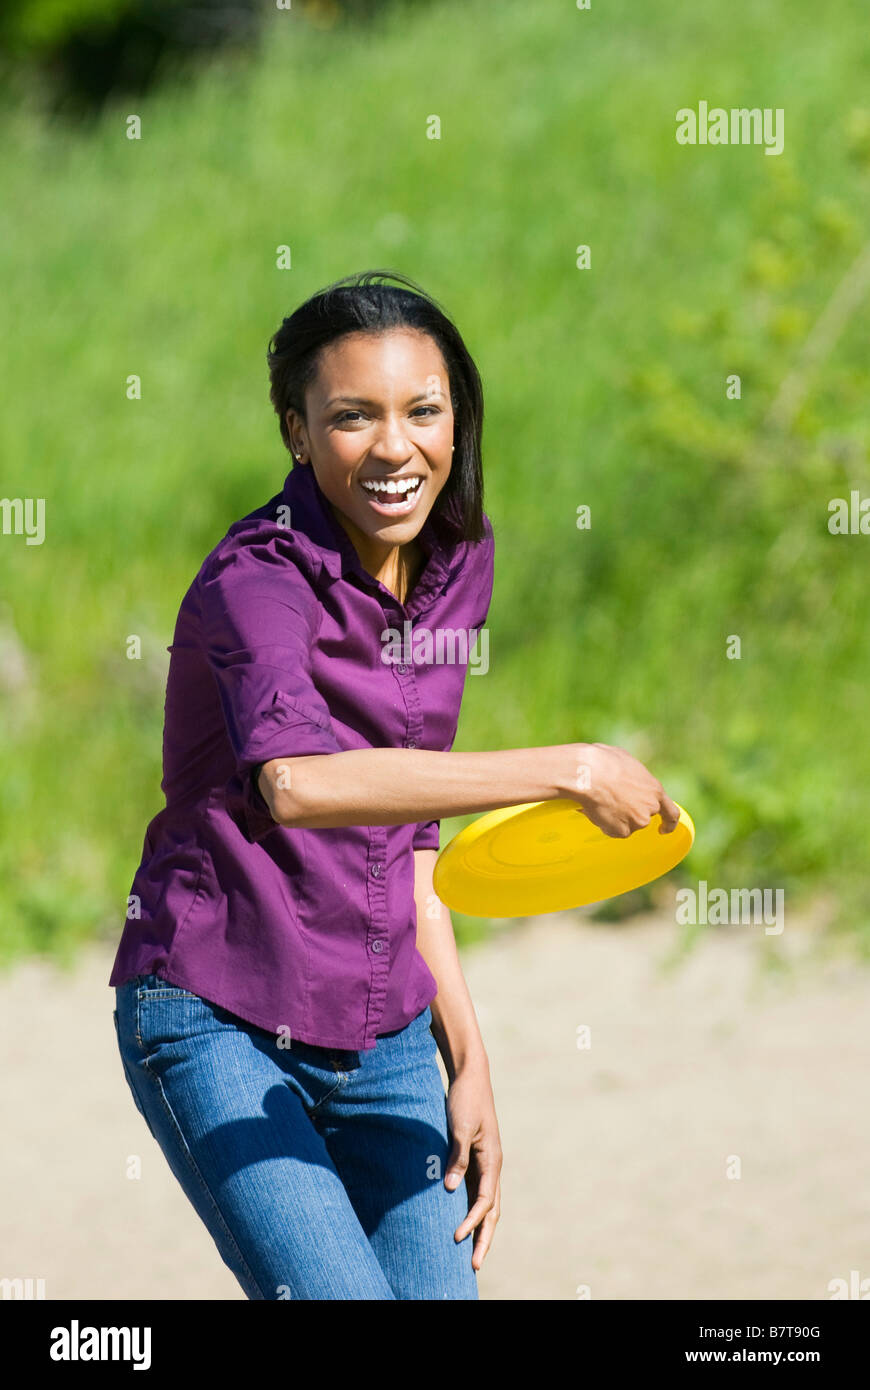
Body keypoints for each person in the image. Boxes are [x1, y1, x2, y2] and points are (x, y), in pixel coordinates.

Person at [109, 269, 680, 1300]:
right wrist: (571, 767)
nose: (394, 447)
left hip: (386, 1037)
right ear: (296, 432)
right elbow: (298, 786)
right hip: (217, 1013)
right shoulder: (257, 581)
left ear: (456, 415)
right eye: (352, 417)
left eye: (424, 410)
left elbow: (410, 837)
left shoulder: (460, 561)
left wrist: (469, 1056)